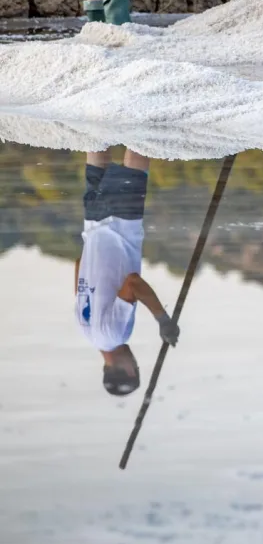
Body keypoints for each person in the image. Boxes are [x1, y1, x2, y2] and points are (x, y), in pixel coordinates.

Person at [75, 149, 179, 396]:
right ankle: (97, 114)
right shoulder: (85, 329)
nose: (135, 361)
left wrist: (163, 320)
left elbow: (132, 283)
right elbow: (80, 266)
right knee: (96, 147)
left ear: (129, 371)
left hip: (120, 225)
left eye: (135, 366)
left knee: (137, 151)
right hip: (93, 223)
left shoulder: (115, 335)